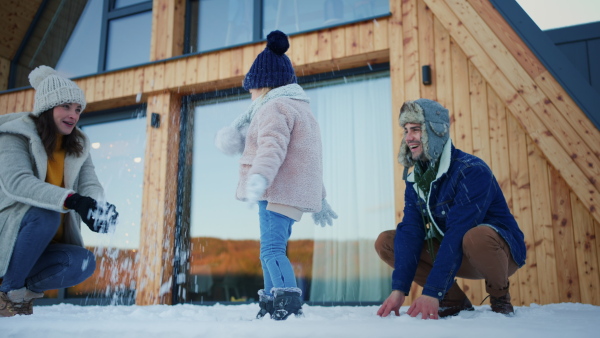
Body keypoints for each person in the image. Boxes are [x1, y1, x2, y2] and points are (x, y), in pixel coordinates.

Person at [215, 30, 337, 320]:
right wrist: (321, 200)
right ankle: (272, 301)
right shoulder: (303, 112)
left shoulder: (273, 108)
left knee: (271, 249)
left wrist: (259, 176)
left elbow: (272, 148)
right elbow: (307, 162)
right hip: (289, 193)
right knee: (270, 249)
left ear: (265, 85)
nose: (250, 94)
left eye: (252, 89)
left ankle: (286, 302)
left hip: (275, 191)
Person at [375, 99, 526, 319]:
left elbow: (458, 232)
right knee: (387, 242)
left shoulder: (471, 170)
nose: (408, 138)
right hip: (456, 252)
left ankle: (500, 297)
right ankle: (453, 299)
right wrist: (399, 290)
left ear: (435, 132)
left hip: (497, 254)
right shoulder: (416, 179)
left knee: (476, 236)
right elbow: (411, 231)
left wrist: (432, 291)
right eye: (406, 130)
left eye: (416, 129)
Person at [0, 66, 118, 317]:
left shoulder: (77, 145)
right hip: (10, 236)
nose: (73, 115)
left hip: (44, 245)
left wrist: (97, 208)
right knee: (46, 214)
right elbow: (17, 182)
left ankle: (16, 287)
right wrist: (73, 200)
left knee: (83, 262)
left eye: (78, 109)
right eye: (65, 106)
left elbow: (90, 184)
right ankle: (8, 293)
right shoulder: (14, 136)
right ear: (47, 107)